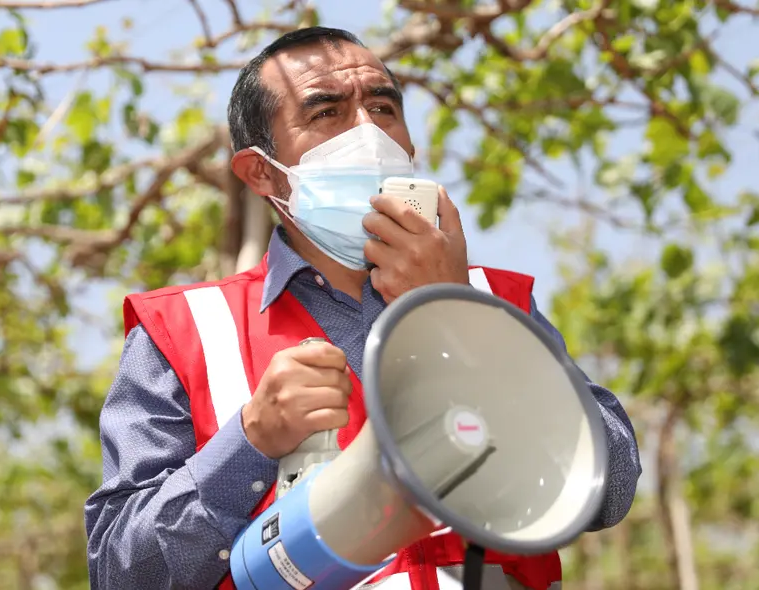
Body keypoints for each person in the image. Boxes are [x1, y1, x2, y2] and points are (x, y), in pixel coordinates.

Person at [85, 26, 641, 590]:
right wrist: (249, 442)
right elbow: (118, 571)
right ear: (262, 172)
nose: (369, 133)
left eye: (383, 108)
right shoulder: (183, 331)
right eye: (327, 113)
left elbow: (611, 485)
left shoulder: (491, 300)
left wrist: (455, 315)